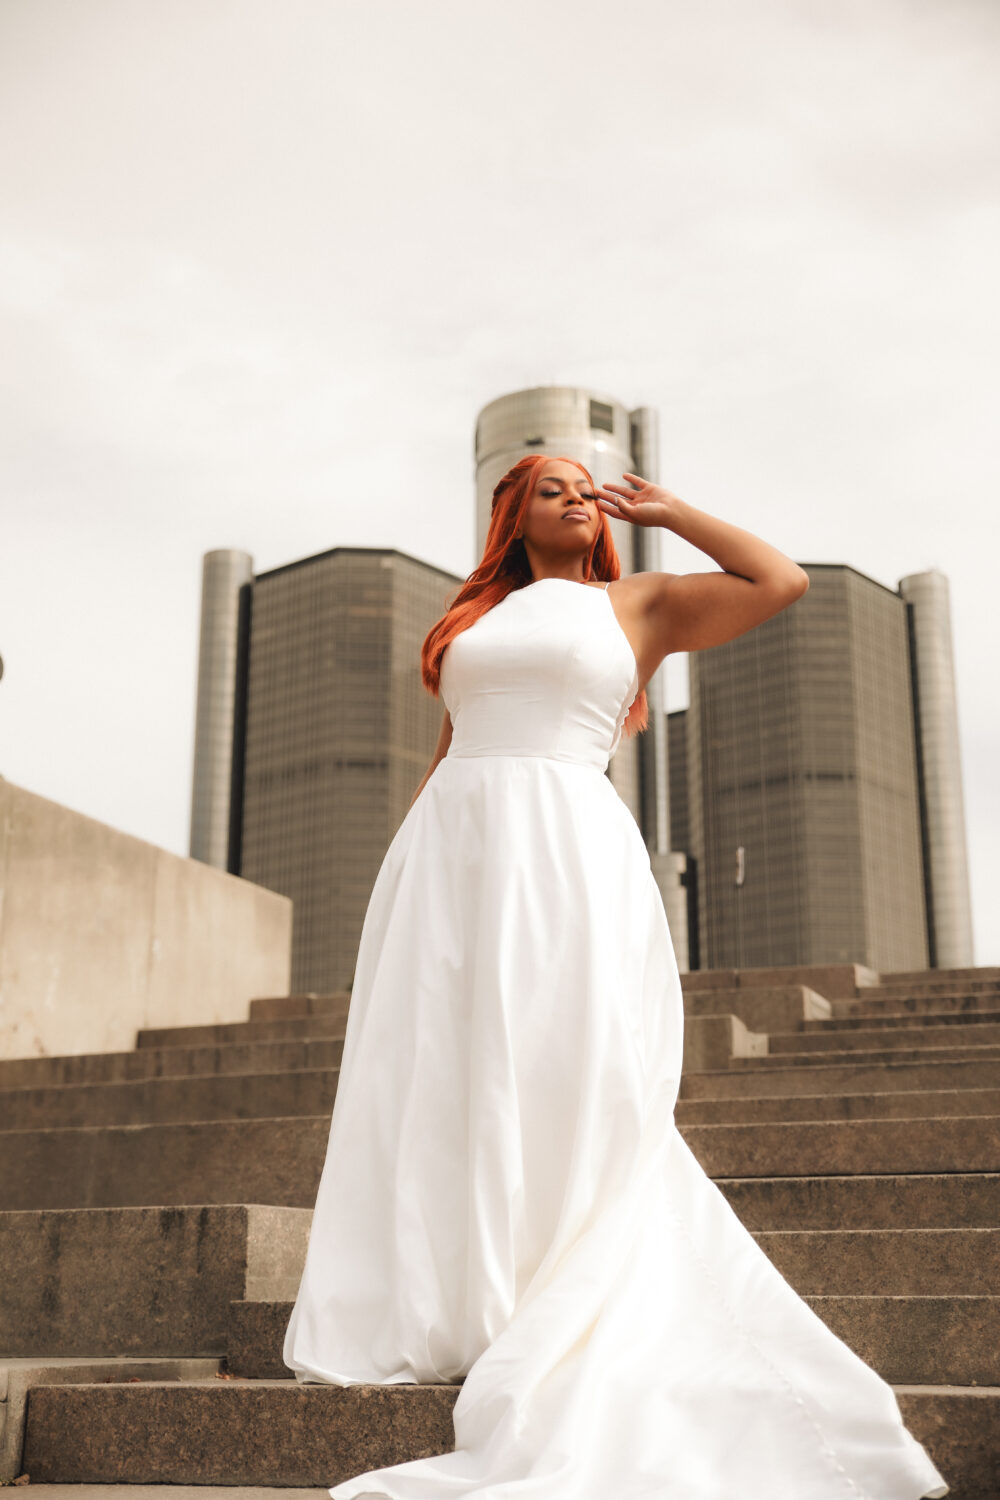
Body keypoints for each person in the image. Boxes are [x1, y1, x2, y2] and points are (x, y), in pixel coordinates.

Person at [283, 454, 947, 1500]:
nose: (576, 495)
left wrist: (669, 512)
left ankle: (557, 1293)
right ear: (513, 514)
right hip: (453, 853)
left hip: (566, 849)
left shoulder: (639, 604)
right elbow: (453, 745)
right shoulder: (470, 618)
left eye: (587, 487)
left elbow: (779, 580)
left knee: (569, 1061)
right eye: (552, 486)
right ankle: (464, 1295)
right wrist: (409, 865)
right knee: (450, 1070)